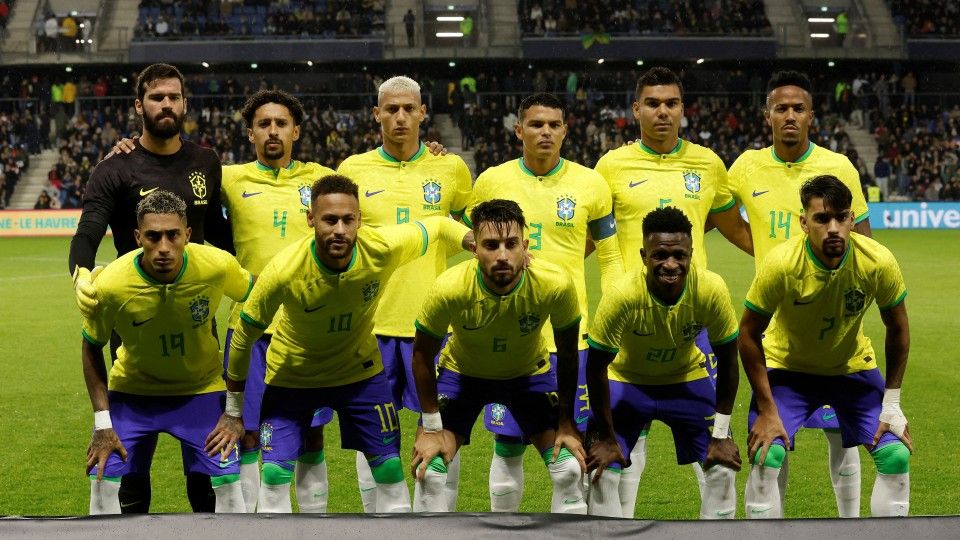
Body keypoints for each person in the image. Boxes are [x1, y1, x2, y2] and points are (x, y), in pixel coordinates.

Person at [224, 175, 471, 513]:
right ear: (311, 219)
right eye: (329, 220)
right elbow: (242, 338)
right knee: (276, 475)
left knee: (388, 469)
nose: (339, 229)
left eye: (347, 220)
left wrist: (470, 237)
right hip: (292, 377)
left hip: (359, 374)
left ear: (359, 220)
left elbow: (440, 225)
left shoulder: (381, 248)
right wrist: (234, 410)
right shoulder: (284, 270)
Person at [69, 62, 232, 514]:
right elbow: (87, 234)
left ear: (185, 104)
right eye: (157, 97)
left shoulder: (205, 163)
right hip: (133, 332)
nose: (167, 105)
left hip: (197, 331)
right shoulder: (114, 169)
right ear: (139, 105)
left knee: (206, 479)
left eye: (174, 97)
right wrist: (81, 274)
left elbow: (222, 240)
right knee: (131, 477)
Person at [593, 66, 752, 517]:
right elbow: (587, 232)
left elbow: (732, 227)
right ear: (635, 109)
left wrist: (783, 254)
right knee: (624, 447)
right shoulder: (612, 166)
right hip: (629, 316)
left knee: (714, 452)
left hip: (692, 318)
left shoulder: (707, 163)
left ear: (683, 109)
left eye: (671, 104)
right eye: (653, 103)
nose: (662, 112)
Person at [464, 92, 622, 512]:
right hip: (510, 338)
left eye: (554, 125)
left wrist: (617, 311)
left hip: (573, 337)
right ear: (519, 130)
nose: (545, 132)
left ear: (566, 130)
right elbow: (471, 245)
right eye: (536, 124)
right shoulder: (491, 182)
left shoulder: (590, 183)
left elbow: (609, 255)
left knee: (573, 452)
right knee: (508, 445)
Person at [727, 70, 872, 517]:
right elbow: (721, 215)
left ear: (812, 116)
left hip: (832, 326)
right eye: (781, 108)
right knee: (773, 439)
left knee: (840, 434)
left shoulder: (839, 166)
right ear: (766, 115)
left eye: (798, 109)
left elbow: (863, 238)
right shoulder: (746, 166)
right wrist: (763, 252)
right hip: (773, 327)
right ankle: (776, 526)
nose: (789, 116)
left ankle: (850, 525)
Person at [337, 75, 472, 512]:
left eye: (408, 109)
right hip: (369, 326)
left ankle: (434, 522)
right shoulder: (352, 170)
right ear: (376, 114)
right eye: (391, 109)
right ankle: (380, 523)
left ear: (422, 113)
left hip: (433, 324)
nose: (400, 117)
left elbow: (466, 234)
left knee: (439, 432)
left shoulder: (450, 168)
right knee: (372, 439)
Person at [740, 175, 911, 518]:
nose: (833, 228)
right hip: (789, 371)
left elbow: (898, 328)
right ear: (804, 223)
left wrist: (891, 403)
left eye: (841, 217)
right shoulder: (782, 265)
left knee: (896, 455)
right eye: (821, 219)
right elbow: (747, 333)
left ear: (852, 219)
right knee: (766, 453)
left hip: (852, 369)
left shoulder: (877, 261)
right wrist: (767, 408)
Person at [409, 199, 587, 514]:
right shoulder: (450, 288)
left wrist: (566, 423)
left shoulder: (554, 285)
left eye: (511, 244)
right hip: (462, 376)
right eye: (491, 245)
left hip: (528, 376)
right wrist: (432, 426)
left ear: (526, 247)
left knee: (569, 469)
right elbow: (422, 355)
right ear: (475, 248)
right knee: (430, 472)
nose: (502, 255)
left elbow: (570, 355)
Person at [82, 190, 251, 515]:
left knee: (230, 487)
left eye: (172, 235)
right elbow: (91, 347)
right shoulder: (111, 285)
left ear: (187, 235)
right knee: (102, 478)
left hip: (200, 391)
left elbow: (256, 298)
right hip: (133, 394)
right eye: (153, 236)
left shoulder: (216, 266)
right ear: (137, 237)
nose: (163, 247)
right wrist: (103, 422)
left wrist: (233, 409)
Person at [220, 90, 338, 513]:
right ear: (251, 133)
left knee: (312, 433)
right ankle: (258, 524)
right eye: (264, 124)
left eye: (281, 123)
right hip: (250, 326)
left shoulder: (322, 179)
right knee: (247, 432)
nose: (273, 131)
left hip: (309, 329)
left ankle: (314, 522)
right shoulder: (229, 179)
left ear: (296, 131)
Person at [584, 207, 741, 519]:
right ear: (644, 255)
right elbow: (596, 366)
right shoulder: (622, 295)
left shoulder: (711, 289)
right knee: (602, 472)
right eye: (660, 255)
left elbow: (728, 359)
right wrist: (604, 437)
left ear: (691, 253)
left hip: (686, 379)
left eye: (679, 255)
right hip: (626, 381)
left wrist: (721, 434)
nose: (671, 264)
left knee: (723, 469)